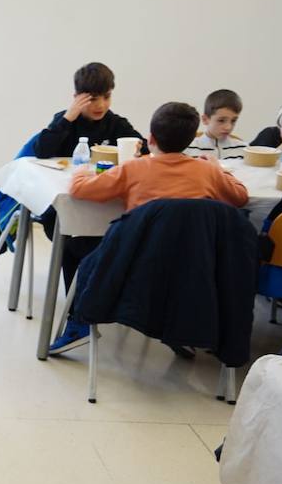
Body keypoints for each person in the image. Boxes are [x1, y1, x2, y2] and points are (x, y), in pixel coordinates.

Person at [51, 101, 250, 354]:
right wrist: (218, 170)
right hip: (192, 264)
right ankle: (176, 330)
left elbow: (79, 190)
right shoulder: (206, 172)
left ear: (151, 138)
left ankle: (78, 322)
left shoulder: (135, 167)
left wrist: (80, 171)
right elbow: (240, 197)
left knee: (72, 247)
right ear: (191, 139)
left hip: (136, 261)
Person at [32, 62, 147, 293]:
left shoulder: (115, 123)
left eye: (106, 97)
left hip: (103, 202)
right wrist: (68, 118)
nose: (101, 105)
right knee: (70, 242)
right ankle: (77, 307)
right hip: (63, 207)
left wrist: (137, 150)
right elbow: (41, 151)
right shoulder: (65, 120)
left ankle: (98, 295)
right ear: (77, 98)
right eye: (92, 99)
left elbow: (142, 148)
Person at [186, 89, 247, 161]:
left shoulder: (243, 149)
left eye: (233, 121)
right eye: (221, 120)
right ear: (205, 119)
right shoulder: (188, 149)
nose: (228, 127)